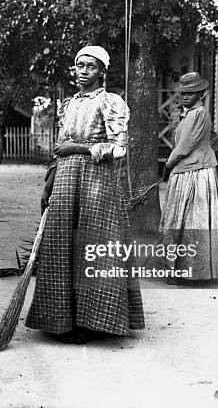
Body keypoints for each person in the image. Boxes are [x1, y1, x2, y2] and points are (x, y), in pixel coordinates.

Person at [25, 45, 145, 344]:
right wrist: (50, 181)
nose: (82, 71)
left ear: (102, 71)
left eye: (89, 67)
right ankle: (62, 319)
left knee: (92, 245)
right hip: (66, 180)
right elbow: (60, 147)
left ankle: (92, 322)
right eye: (79, 65)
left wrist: (78, 149)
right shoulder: (68, 104)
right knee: (63, 245)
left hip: (96, 181)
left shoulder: (110, 102)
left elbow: (119, 148)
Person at [160, 72, 218, 280]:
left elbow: (185, 145)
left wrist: (168, 164)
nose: (185, 97)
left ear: (200, 93)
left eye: (190, 93)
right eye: (182, 93)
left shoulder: (198, 113)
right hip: (186, 170)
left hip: (195, 173)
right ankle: (179, 268)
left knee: (191, 220)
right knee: (180, 220)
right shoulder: (191, 115)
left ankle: (192, 271)